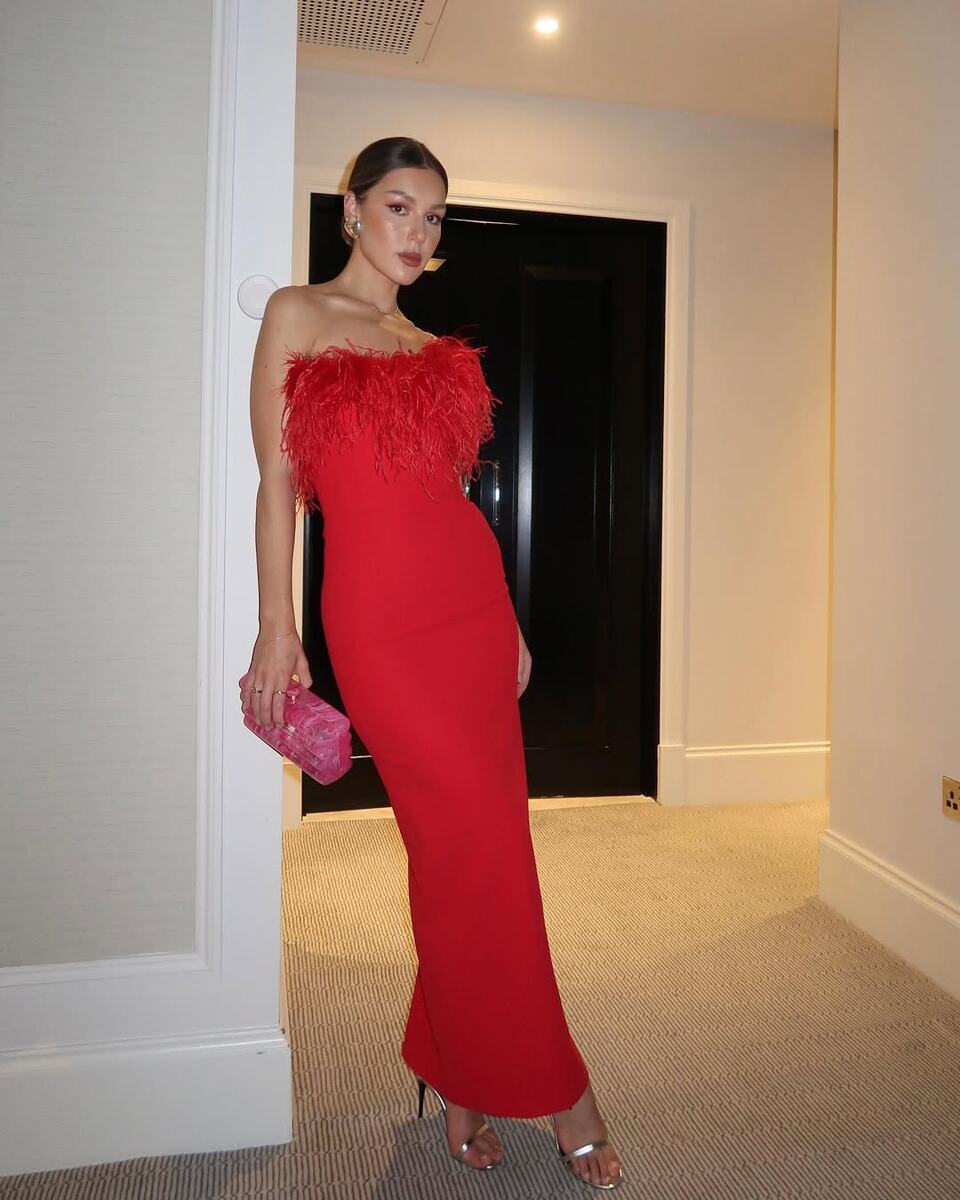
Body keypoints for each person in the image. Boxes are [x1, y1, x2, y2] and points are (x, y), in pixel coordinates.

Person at [240, 136, 624, 1191]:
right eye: (400, 207)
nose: (418, 232)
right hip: (380, 625)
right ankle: (563, 1088)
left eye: (435, 216)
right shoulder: (296, 314)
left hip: (469, 611)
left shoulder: (434, 348)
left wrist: (510, 622)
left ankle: (457, 1078)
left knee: (478, 849)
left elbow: (455, 502)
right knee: (470, 848)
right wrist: (277, 622)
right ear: (352, 209)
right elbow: (278, 484)